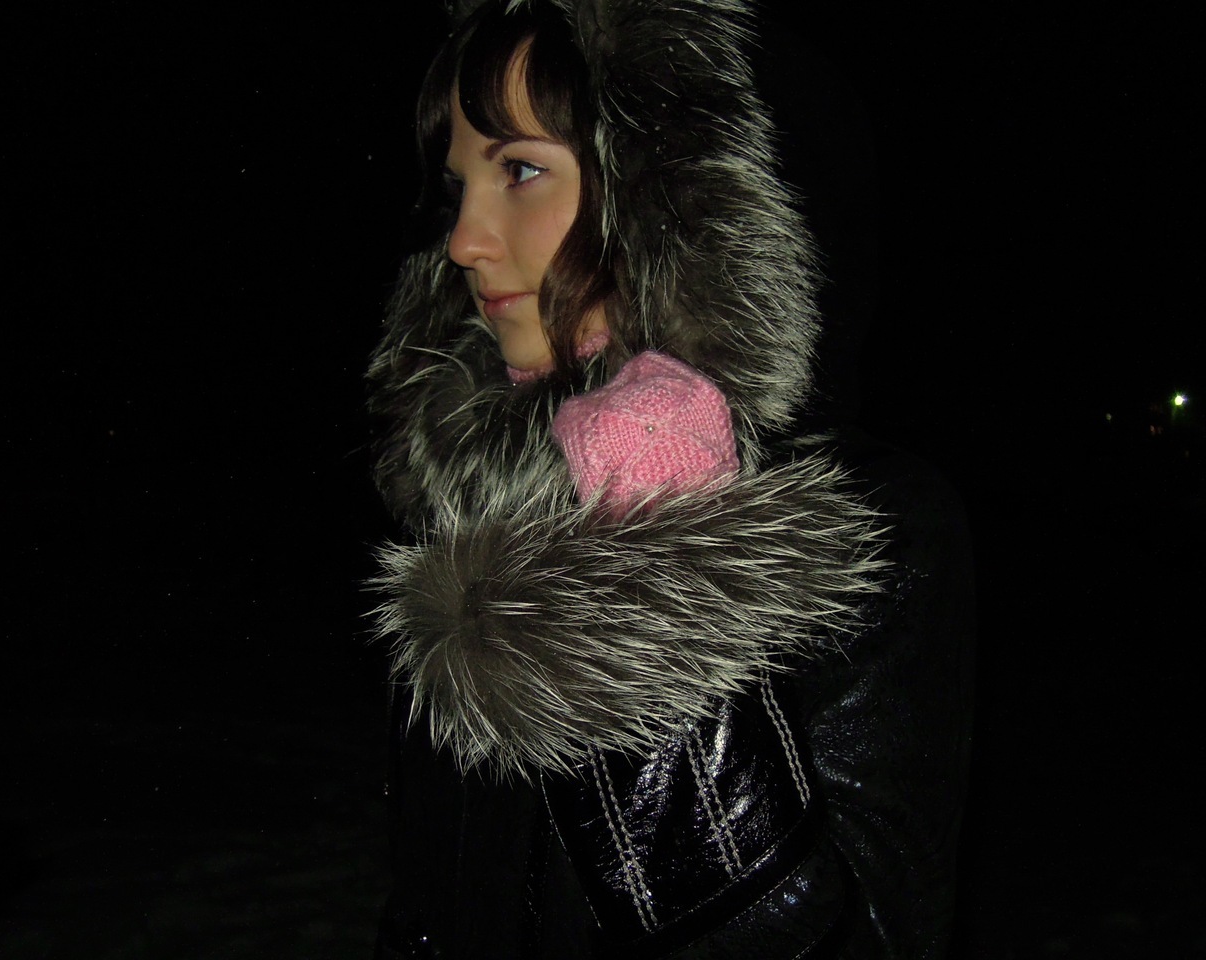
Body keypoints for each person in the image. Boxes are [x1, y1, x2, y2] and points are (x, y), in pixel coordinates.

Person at [366, 0, 976, 956]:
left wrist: (655, 546)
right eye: (458, 185)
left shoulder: (872, 525)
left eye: (520, 170)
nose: (464, 241)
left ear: (679, 200)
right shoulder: (469, 508)